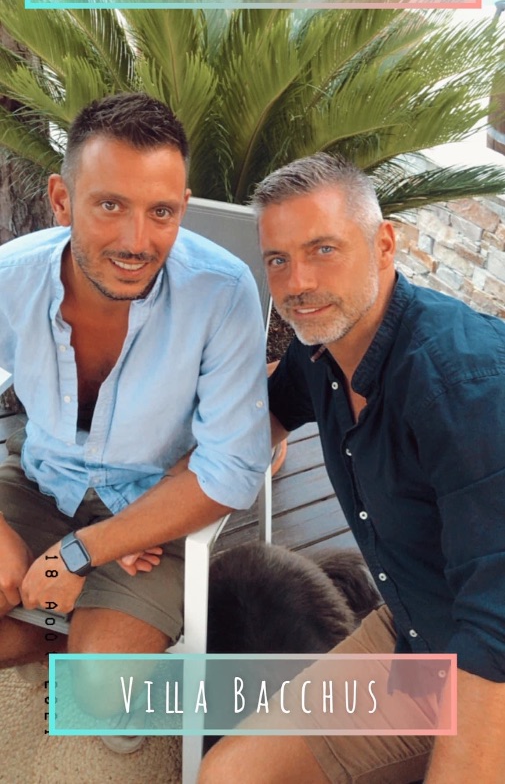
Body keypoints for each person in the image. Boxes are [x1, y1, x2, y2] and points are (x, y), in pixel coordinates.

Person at [198, 152, 505, 783]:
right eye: (278, 260)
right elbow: (258, 423)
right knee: (231, 774)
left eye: (323, 249)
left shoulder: (463, 387)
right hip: (416, 630)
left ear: (384, 243)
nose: (298, 282)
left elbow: (495, 627)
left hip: (486, 663)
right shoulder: (322, 352)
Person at [0, 93, 270, 700]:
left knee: (97, 691)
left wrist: (82, 553)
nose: (136, 241)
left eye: (161, 212)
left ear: (183, 208)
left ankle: (62, 623)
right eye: (110, 205)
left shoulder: (222, 293)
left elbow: (231, 468)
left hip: (155, 508)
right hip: (40, 480)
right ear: (62, 199)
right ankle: (57, 625)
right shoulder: (10, 277)